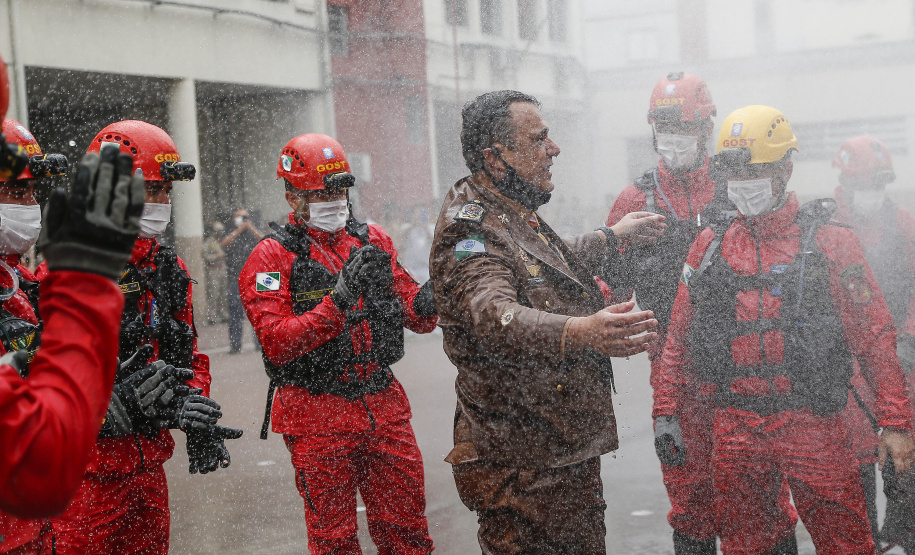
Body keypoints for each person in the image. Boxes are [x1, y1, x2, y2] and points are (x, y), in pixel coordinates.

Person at [654, 105, 915, 554]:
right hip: (735, 424)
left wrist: (895, 422)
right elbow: (678, 337)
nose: (742, 184)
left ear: (786, 168)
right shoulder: (709, 245)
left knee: (846, 542)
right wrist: (666, 412)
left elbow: (873, 337)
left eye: (754, 170)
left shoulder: (830, 241)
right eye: (732, 171)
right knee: (747, 544)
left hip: (812, 421)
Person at [429, 90, 665, 554]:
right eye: (539, 139)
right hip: (523, 464)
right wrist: (581, 331)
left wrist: (609, 237)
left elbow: (535, 264)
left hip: (554, 446)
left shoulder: (508, 208)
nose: (553, 148)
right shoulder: (470, 229)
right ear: (495, 158)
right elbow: (493, 316)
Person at [606, 73, 798, 554]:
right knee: (691, 497)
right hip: (674, 371)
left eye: (685, 125)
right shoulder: (635, 202)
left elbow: (783, 245)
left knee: (763, 498)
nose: (674, 137)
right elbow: (608, 284)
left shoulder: (740, 182)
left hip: (743, 370)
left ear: (707, 126)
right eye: (664, 126)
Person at [45, 120, 241, 555]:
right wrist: (111, 405)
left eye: (165, 192)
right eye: (150, 190)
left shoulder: (165, 268)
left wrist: (193, 410)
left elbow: (186, 354)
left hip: (147, 468)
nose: (161, 203)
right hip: (81, 480)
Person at [240, 133, 439, 554]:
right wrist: (339, 302)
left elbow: (416, 314)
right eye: (321, 192)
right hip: (316, 414)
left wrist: (437, 294)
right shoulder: (270, 258)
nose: (334, 199)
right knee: (334, 542)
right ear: (293, 195)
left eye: (340, 189)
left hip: (383, 405)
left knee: (408, 532)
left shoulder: (373, 240)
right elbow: (276, 342)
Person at [0, 115, 143, 554]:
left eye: (32, 194)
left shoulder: (18, 285)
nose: (30, 207)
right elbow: (39, 467)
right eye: (17, 192)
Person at [831, 135, 915, 550]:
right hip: (844, 364)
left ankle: (903, 532)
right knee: (853, 463)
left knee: (903, 455)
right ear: (845, 182)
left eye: (878, 184)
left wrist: (910, 337)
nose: (872, 194)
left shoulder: (903, 223)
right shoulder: (827, 227)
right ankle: (863, 539)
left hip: (898, 359)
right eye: (864, 184)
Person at [221, 206, 263, 353]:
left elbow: (263, 240)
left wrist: (250, 227)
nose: (243, 220)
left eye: (245, 217)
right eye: (240, 217)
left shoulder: (253, 231)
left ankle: (260, 343)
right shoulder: (230, 231)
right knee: (235, 313)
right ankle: (235, 345)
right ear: (234, 219)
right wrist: (238, 230)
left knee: (258, 311)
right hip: (235, 277)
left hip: (255, 277)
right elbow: (224, 243)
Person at [202, 221, 228, 324]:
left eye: (221, 230)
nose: (219, 233)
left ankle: (224, 315)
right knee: (213, 293)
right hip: (213, 270)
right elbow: (204, 256)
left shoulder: (225, 240)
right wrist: (216, 257)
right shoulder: (208, 242)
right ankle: (211, 316)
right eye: (217, 231)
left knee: (224, 293)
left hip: (223, 269)